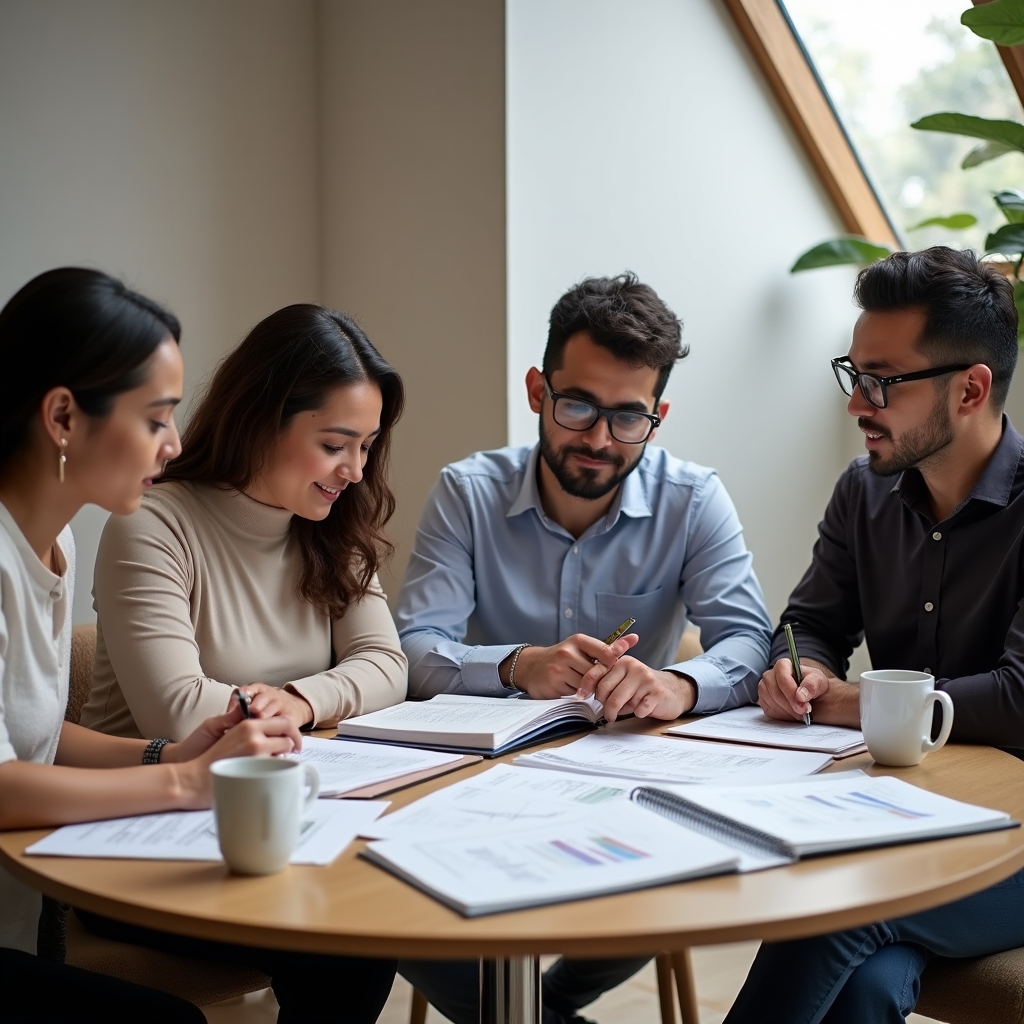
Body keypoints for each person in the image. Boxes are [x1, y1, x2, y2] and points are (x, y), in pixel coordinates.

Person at [0, 267, 390, 1024]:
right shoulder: (125, 530)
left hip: (27, 904)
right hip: (63, 881)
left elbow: (30, 741)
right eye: (155, 418)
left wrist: (169, 757)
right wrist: (185, 780)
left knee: (355, 941)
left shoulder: (49, 547)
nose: (174, 442)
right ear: (61, 417)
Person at [397, 273, 772, 1024]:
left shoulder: (694, 500)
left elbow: (749, 640)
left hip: (628, 777)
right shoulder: (467, 493)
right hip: (476, 778)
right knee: (391, 886)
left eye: (628, 417)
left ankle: (539, 1010)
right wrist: (513, 665)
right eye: (578, 406)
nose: (599, 439)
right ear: (538, 389)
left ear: (657, 417)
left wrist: (678, 685)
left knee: (690, 866)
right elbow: (413, 648)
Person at [725, 246, 1024, 1024]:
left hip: (1016, 840)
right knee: (865, 987)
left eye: (881, 382)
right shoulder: (865, 490)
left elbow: (1021, 698)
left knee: (837, 906)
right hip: (903, 814)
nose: (857, 404)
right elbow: (808, 623)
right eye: (852, 375)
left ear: (970, 388)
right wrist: (802, 672)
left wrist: (853, 704)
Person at [81, 303, 408, 741]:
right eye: (334, 446)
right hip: (139, 797)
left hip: (278, 775)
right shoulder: (151, 526)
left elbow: (387, 665)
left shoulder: (332, 524)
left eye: (366, 446)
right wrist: (293, 707)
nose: (355, 471)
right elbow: (178, 713)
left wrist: (302, 701)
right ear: (259, 421)